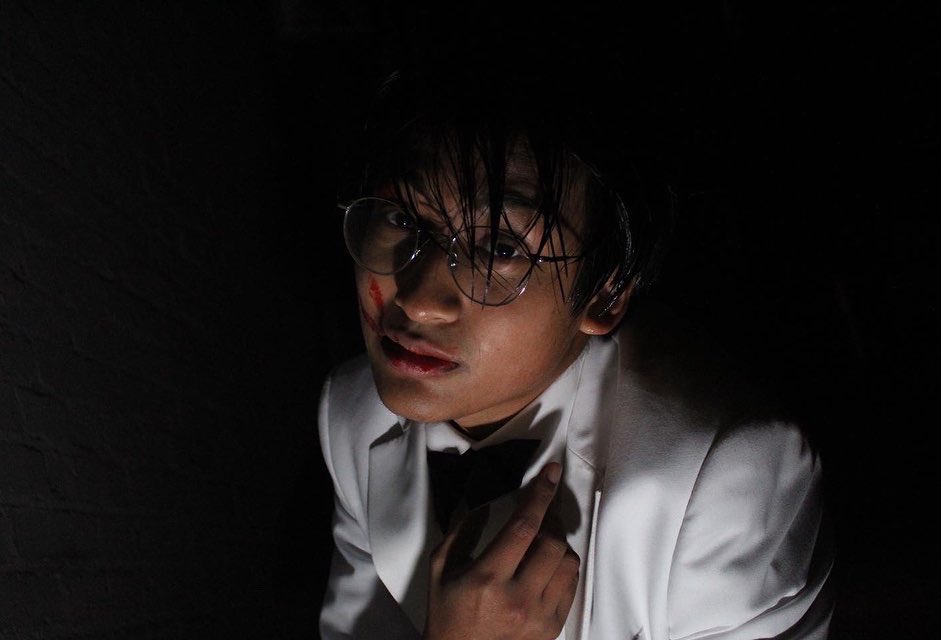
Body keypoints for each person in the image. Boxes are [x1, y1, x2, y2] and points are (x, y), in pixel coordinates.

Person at [318, 44, 833, 640]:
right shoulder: (351, 412)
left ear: (605, 296)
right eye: (402, 219)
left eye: (501, 249)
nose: (417, 300)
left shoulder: (723, 478)